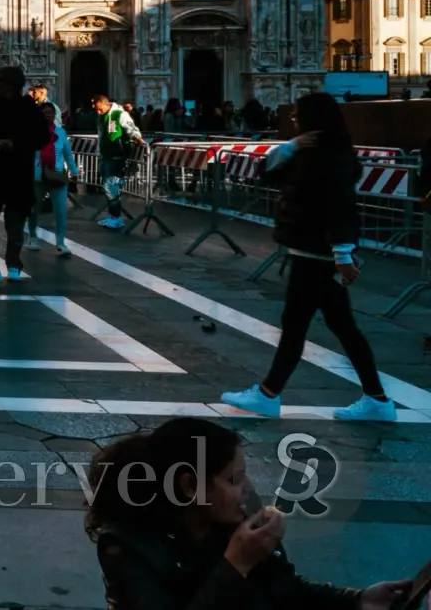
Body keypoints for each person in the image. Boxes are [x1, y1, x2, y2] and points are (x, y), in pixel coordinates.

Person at [85, 416, 412, 609]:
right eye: (234, 479)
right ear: (190, 486)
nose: (247, 488)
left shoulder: (231, 523)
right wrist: (237, 563)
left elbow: (283, 589)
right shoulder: (128, 546)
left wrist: (357, 600)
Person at [220, 93, 398, 422]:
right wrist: (292, 145)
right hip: (312, 251)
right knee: (339, 326)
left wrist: (342, 253)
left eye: (297, 114)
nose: (294, 119)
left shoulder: (329, 157)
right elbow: (266, 171)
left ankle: (269, 394)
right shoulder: (313, 151)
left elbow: (338, 206)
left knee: (297, 325)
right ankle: (377, 399)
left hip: (317, 253)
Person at [0, 66, 49, 283]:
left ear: (11, 84)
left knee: (15, 223)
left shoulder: (28, 108)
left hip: (19, 172)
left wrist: (15, 143)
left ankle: (13, 262)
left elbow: (41, 138)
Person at [26, 102, 76, 258]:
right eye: (45, 112)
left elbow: (67, 153)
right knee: (34, 208)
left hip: (57, 174)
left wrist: (74, 170)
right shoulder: (32, 132)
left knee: (60, 210)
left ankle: (60, 243)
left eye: (51, 112)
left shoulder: (60, 132)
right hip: (38, 175)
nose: (48, 115)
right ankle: (32, 236)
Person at [95, 92, 146, 231]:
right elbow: (101, 136)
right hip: (106, 155)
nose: (98, 112)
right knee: (108, 187)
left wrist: (137, 137)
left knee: (111, 186)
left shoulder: (119, 114)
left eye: (100, 109)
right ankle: (112, 216)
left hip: (117, 155)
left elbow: (130, 128)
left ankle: (116, 218)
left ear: (106, 104)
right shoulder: (101, 117)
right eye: (96, 109)